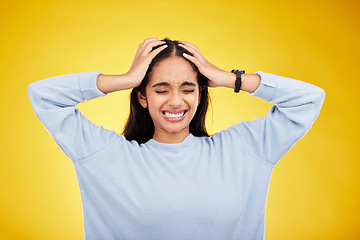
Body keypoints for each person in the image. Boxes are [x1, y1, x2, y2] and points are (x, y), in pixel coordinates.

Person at [27, 37, 325, 240]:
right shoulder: (105, 156)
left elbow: (310, 99)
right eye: (160, 89)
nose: (175, 100)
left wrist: (229, 78)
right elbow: (42, 95)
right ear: (142, 97)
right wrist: (127, 79)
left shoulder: (244, 150)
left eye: (187, 88)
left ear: (200, 93)